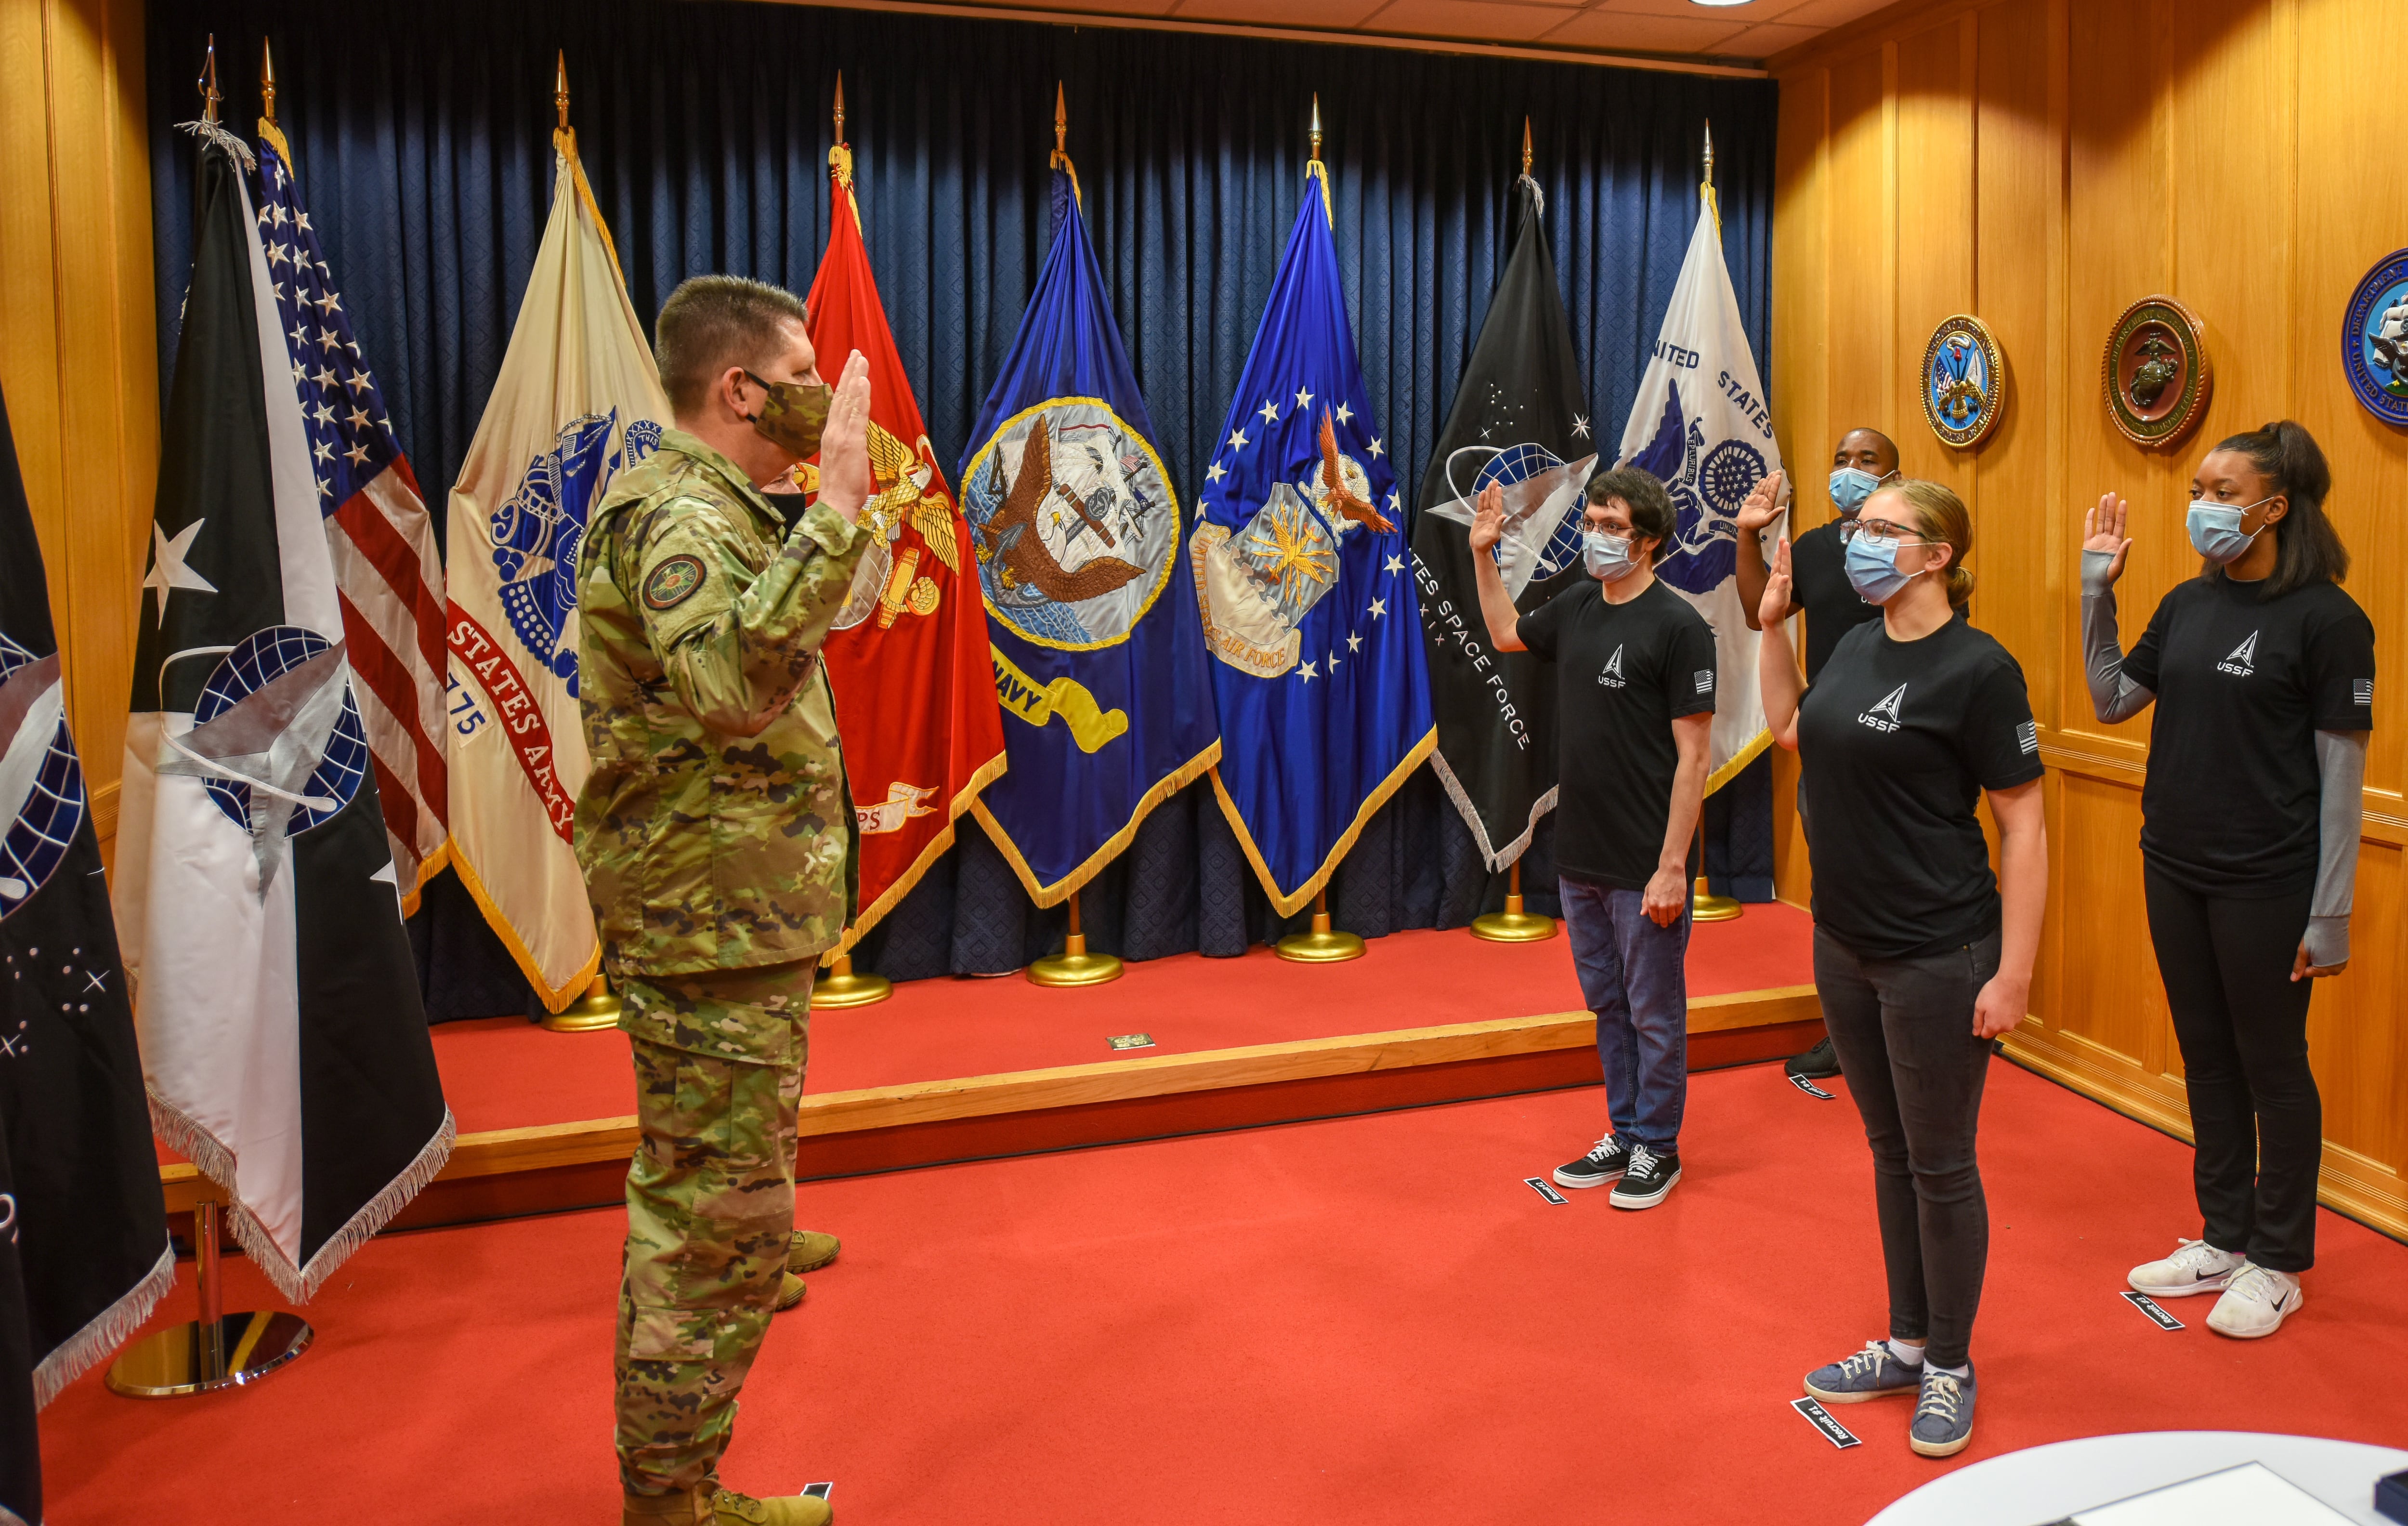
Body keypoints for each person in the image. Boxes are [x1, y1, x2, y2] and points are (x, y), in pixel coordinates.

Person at [575, 274, 874, 1526]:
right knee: (709, 1241)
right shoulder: (680, 515)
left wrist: (821, 522)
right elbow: (726, 689)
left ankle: (677, 1482)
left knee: (716, 1208)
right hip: (704, 931)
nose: (818, 397)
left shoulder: (724, 505)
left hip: (729, 920)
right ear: (741, 389)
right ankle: (673, 1506)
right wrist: (839, 507)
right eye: (803, 376)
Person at [1758, 479, 2045, 1459]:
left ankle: (1950, 1365)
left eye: (1883, 530)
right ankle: (1908, 1338)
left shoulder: (1979, 669)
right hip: (1843, 943)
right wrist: (1767, 630)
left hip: (1940, 953)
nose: (1858, 541)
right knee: (1888, 1154)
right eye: (1857, 526)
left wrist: (2012, 972)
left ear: (1937, 555)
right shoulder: (1850, 641)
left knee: (1940, 1163)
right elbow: (1791, 732)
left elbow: (2023, 824)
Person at [2081, 421, 2372, 1341]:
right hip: (2175, 865)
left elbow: (2342, 779)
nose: (2200, 506)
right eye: (2198, 490)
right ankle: (2224, 1236)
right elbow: (2109, 700)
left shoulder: (2329, 620)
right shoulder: (2186, 602)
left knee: (2273, 1067)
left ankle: (2279, 1261)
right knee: (2206, 1058)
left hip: (2270, 881)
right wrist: (2097, 592)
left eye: (2220, 491)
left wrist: (2330, 914)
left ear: (2274, 507)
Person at [1469, 467, 1715, 1210]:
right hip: (1580, 854)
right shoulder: (1577, 604)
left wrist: (1673, 868)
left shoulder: (1680, 628)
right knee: (1607, 1004)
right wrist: (1484, 554)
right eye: (1594, 521)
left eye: (1613, 527)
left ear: (1649, 544)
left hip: (1648, 862)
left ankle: (1659, 1148)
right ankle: (1626, 1130)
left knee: (1653, 1010)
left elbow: (1695, 757)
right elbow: (1509, 635)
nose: (1596, 536)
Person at [1735, 427, 1899, 1083]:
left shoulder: (1904, 550)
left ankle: (1910, 1023)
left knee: (1897, 886)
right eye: (1841, 459)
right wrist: (1748, 536)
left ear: (1893, 477)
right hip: (1825, 740)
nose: (1850, 471)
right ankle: (1848, 1035)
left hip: (1895, 743)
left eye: (1867, 461)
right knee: (1835, 891)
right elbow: (1758, 614)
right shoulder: (1812, 548)